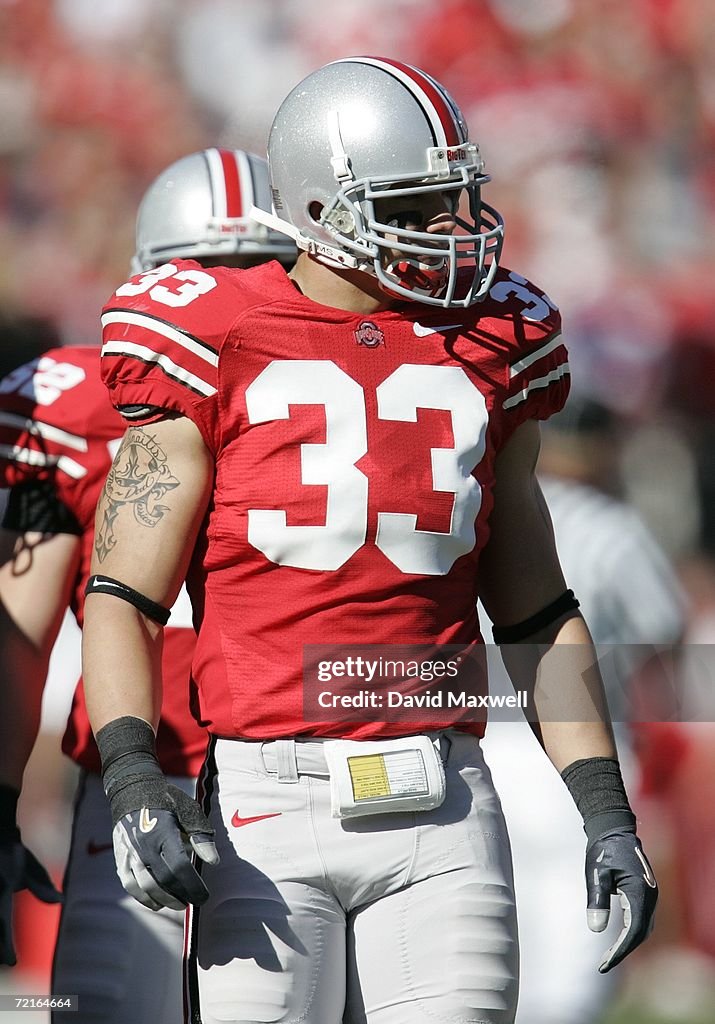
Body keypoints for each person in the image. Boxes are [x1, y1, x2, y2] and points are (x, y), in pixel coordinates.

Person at [82, 57, 658, 1024]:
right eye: (419, 202)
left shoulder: (489, 338)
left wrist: (603, 806)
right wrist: (138, 778)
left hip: (446, 798)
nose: (454, 227)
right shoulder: (213, 331)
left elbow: (535, 607)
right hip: (268, 798)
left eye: (458, 196)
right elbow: (123, 597)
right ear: (318, 206)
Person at [0, 148, 295, 1022]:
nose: (221, 300)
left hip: (276, 769)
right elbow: (19, 646)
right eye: (203, 276)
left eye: (247, 274)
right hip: (160, 773)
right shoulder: (70, 405)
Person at [482, 394, 686, 1024]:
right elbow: (667, 636)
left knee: (489, 954)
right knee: (575, 962)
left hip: (476, 744)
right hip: (583, 751)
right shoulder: (610, 525)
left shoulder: (483, 506)